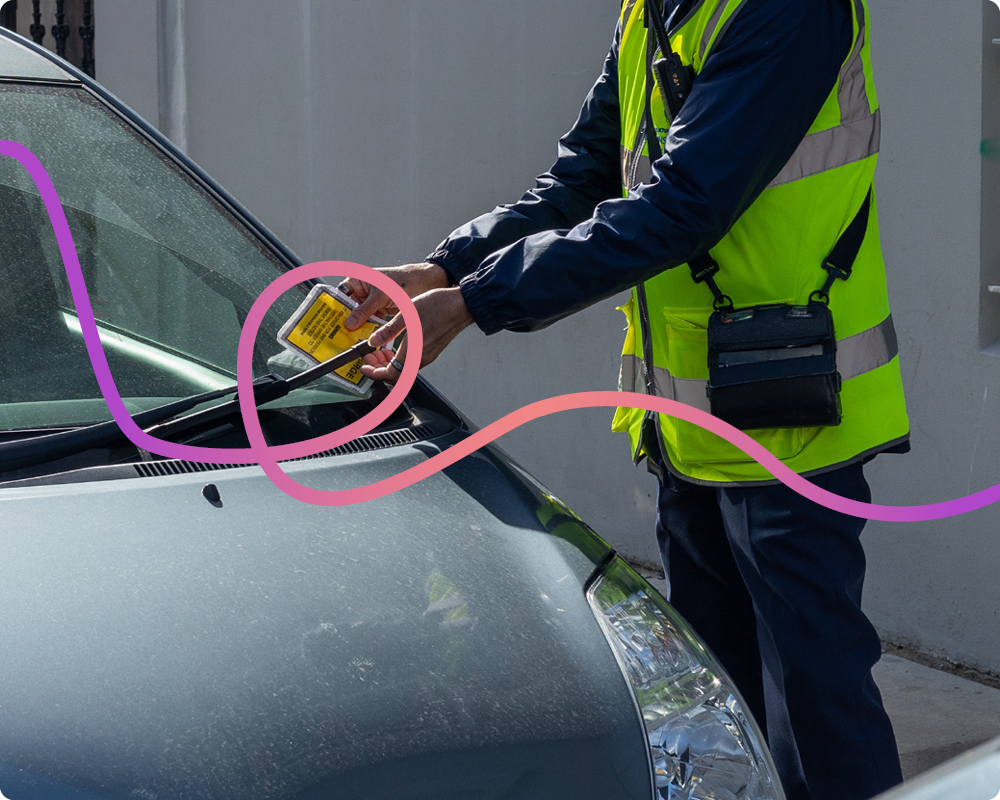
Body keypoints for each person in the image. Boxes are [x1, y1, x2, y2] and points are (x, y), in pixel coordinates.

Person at [342, 1, 910, 798]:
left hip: (792, 418)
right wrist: (443, 271)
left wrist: (476, 302)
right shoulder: (654, 9)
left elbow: (685, 204)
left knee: (817, 711)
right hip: (691, 425)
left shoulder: (786, 10)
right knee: (722, 709)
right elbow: (581, 180)